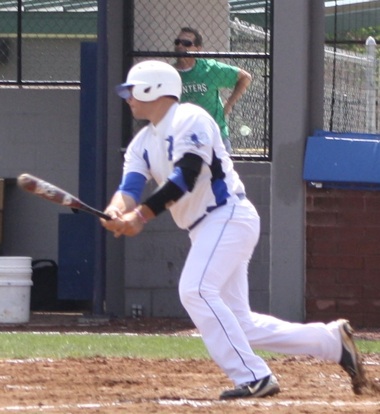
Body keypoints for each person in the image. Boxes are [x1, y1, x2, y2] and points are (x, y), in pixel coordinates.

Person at [101, 60, 366, 399]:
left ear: (154, 89)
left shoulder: (191, 118)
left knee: (195, 290)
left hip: (227, 216)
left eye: (132, 90)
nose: (127, 98)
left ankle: (254, 376)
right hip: (205, 228)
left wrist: (141, 217)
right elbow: (129, 189)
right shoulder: (142, 142)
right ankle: (330, 342)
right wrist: (116, 211)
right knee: (241, 324)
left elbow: (186, 175)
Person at [173, 27, 252, 154]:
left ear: (198, 49)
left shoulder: (209, 68)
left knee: (221, 173)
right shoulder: (170, 74)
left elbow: (245, 77)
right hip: (183, 137)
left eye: (186, 43)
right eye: (177, 42)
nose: (180, 46)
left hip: (214, 136)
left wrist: (229, 104)